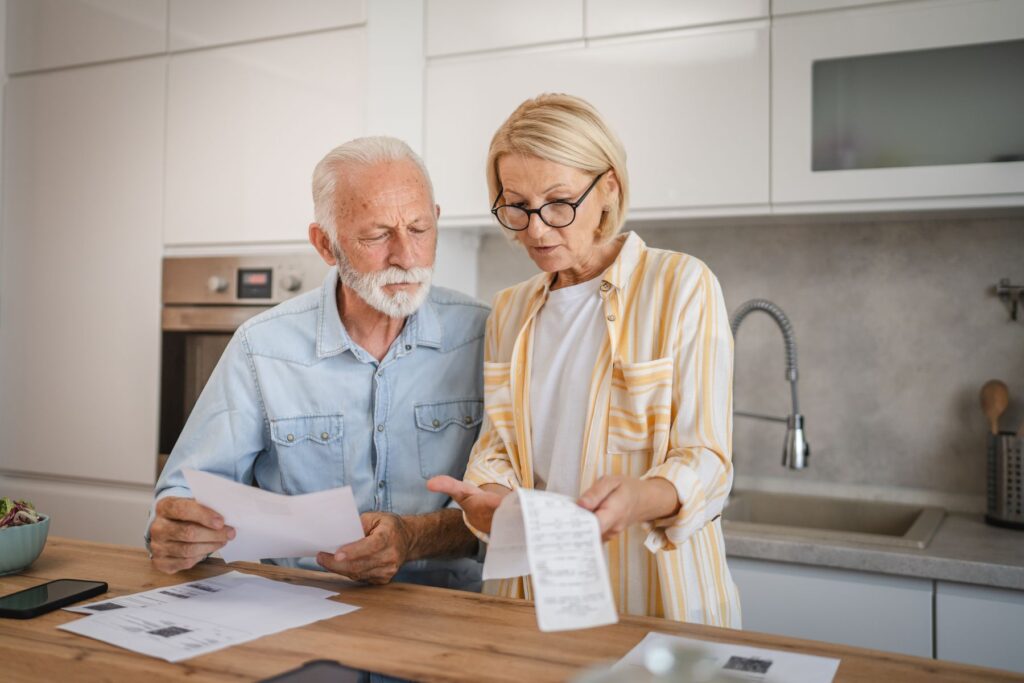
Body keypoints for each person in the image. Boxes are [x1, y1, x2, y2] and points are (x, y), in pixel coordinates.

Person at [429, 94, 741, 625]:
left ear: (608, 190)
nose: (536, 230)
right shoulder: (510, 310)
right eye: (517, 206)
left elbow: (707, 458)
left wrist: (639, 497)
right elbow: (498, 445)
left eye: (558, 202)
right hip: (531, 597)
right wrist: (491, 495)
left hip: (655, 602)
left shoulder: (681, 286)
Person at [149, 136, 487, 590]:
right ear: (326, 245)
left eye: (420, 229)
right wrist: (176, 531)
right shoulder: (261, 348)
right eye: (377, 234)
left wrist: (415, 537)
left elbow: (510, 512)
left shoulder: (486, 337)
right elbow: (184, 494)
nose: (406, 257)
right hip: (299, 612)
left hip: (452, 618)